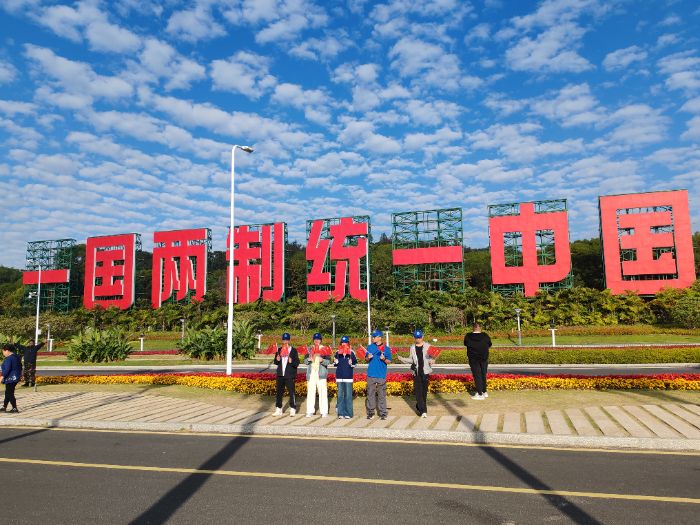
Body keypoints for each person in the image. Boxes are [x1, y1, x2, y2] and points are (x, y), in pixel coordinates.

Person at [397, 329, 435, 417]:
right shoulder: (412, 348)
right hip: (416, 372)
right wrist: (402, 359)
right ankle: (423, 411)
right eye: (416, 338)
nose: (418, 339)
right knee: (418, 392)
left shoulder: (428, 346)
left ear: (422, 337)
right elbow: (411, 360)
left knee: (424, 393)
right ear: (414, 338)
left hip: (425, 372)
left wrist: (432, 360)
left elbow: (433, 356)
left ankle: (419, 406)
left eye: (419, 337)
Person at [365, 329, 392, 420]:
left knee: (381, 395)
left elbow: (389, 361)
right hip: (371, 374)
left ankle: (383, 413)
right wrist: (368, 358)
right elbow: (366, 359)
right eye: (372, 336)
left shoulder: (386, 348)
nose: (372, 338)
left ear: (380, 337)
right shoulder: (370, 347)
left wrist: (384, 359)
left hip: (381, 374)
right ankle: (370, 412)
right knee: (370, 394)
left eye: (374, 336)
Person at [272, 332, 299, 416]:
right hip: (280, 374)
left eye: (287, 340)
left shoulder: (293, 350)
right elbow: (276, 362)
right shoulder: (279, 350)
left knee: (291, 392)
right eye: (284, 340)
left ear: (289, 340)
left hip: (289, 375)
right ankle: (278, 408)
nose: (285, 341)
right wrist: (277, 359)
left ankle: (293, 408)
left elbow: (297, 363)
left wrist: (291, 361)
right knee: (279, 392)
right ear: (282, 340)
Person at [464, 323, 492, 400]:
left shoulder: (468, 336)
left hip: (473, 359)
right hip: (484, 358)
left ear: (473, 328)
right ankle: (484, 391)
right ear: (480, 328)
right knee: (483, 374)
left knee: (477, 375)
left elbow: (465, 344)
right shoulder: (485, 336)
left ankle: (480, 394)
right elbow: (489, 344)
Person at [305, 332, 330, 417]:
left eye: (318, 339)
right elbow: (305, 361)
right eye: (315, 339)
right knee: (310, 393)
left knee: (323, 393)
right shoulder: (310, 349)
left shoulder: (325, 349)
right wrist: (308, 359)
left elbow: (328, 362)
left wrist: (322, 360)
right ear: (313, 340)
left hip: (321, 374)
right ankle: (310, 411)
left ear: (321, 340)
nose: (316, 341)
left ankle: (324, 412)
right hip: (311, 373)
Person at [333, 335, 357, 419]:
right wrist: (335, 362)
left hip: (348, 376)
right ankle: (340, 413)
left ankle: (348, 413)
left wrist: (351, 363)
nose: (344, 344)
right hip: (339, 376)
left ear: (348, 343)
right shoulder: (337, 352)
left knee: (348, 395)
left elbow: (355, 363)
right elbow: (335, 364)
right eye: (342, 342)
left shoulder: (351, 352)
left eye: (345, 342)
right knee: (340, 395)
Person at [1, 343, 23, 413]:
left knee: (9, 393)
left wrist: (2, 376)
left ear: (7, 350)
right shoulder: (16, 357)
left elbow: (7, 369)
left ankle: (14, 408)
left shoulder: (9, 358)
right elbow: (20, 367)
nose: (3, 353)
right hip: (15, 377)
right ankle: (4, 407)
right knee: (8, 392)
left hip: (10, 378)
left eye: (3, 352)